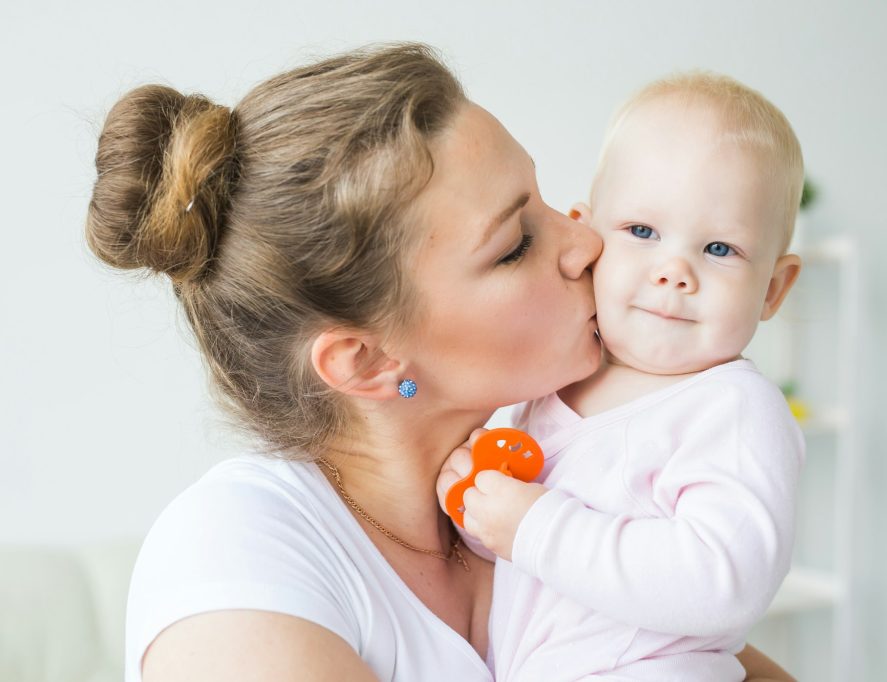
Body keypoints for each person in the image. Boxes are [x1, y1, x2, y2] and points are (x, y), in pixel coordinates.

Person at [86, 43, 794, 681]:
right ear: (364, 360)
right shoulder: (237, 561)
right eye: (515, 243)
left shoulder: (567, 490)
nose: (586, 245)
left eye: (551, 204)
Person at [439, 72, 805, 681]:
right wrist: (482, 511)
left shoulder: (735, 409)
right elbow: (531, 571)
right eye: (642, 232)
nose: (674, 271)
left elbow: (724, 581)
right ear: (588, 232)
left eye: (720, 249)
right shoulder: (550, 384)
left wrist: (534, 525)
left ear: (773, 287)